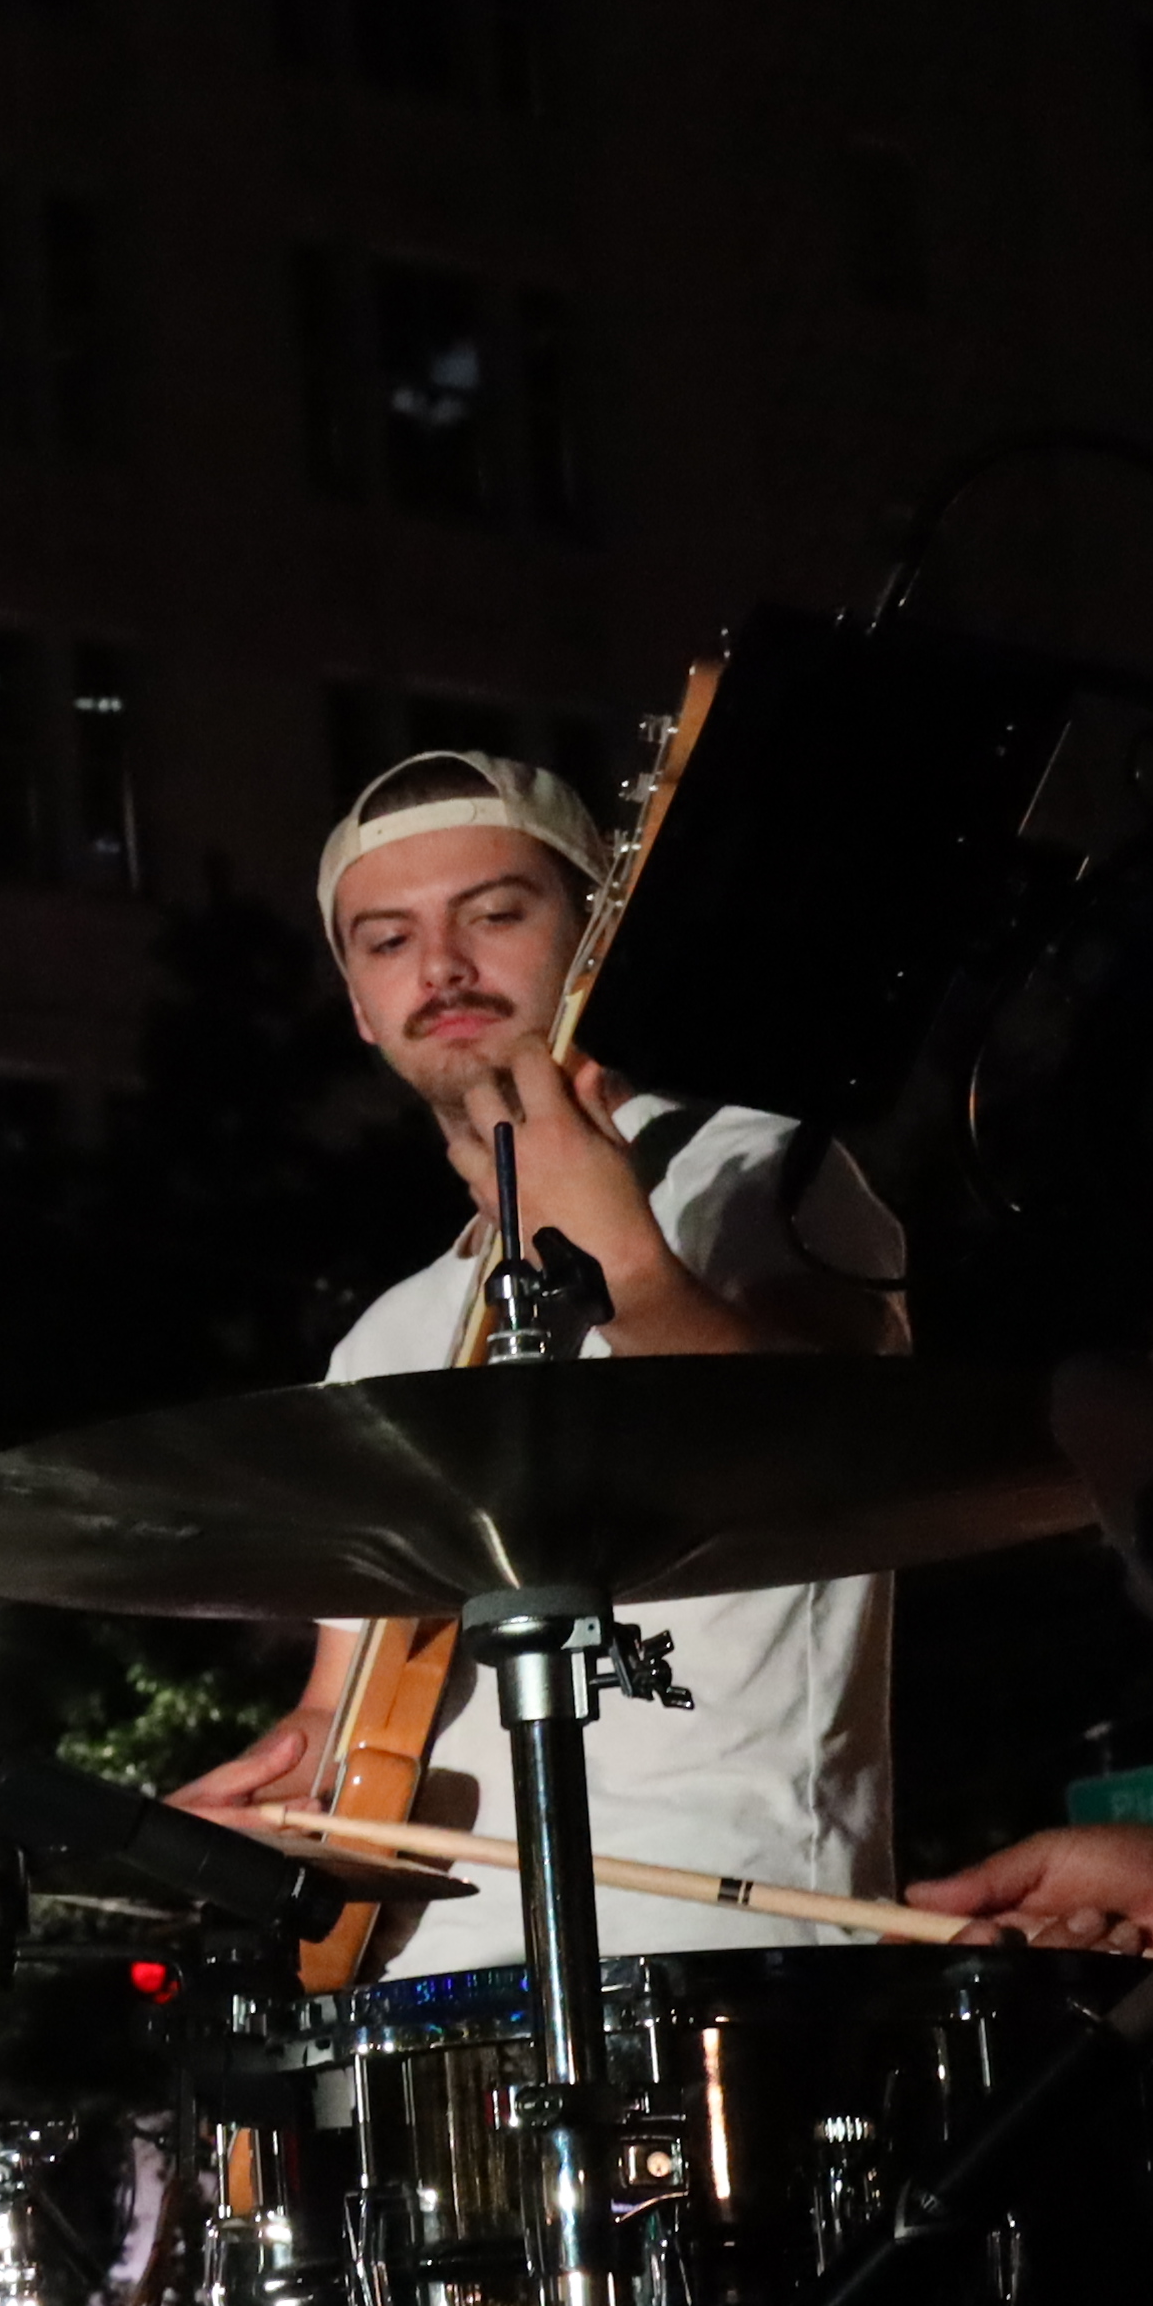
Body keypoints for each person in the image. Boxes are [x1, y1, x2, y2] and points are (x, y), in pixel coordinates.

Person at [166, 749, 909, 1949]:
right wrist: (265, 1801)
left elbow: (836, 1451)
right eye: (387, 940)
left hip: (725, 1938)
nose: (443, 969)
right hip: (436, 1971)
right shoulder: (384, 1334)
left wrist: (627, 1269)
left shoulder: (761, 1172)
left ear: (596, 939)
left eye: (495, 915)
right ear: (358, 1003)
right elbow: (344, 1719)